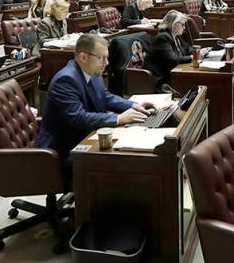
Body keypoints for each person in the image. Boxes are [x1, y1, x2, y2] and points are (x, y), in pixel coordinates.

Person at [35, 34, 155, 178]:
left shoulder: (91, 72)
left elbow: (105, 96)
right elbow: (78, 117)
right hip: (63, 150)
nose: (107, 63)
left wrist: (134, 105)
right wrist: (119, 119)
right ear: (83, 57)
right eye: (101, 58)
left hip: (86, 136)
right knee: (122, 162)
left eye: (107, 57)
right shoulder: (66, 80)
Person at [146, 10, 193, 89]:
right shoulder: (163, 37)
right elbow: (173, 59)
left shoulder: (176, 35)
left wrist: (197, 51)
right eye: (183, 25)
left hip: (174, 72)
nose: (184, 27)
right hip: (163, 79)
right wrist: (192, 57)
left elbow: (187, 49)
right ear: (174, 24)